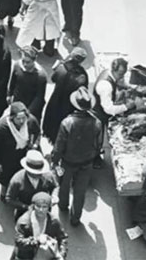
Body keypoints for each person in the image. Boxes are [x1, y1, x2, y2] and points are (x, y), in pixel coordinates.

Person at [51, 87, 102, 226]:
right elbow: (98, 145)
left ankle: (63, 205)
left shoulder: (67, 123)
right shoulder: (97, 122)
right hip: (86, 163)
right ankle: (76, 218)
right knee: (80, 192)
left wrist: (54, 162)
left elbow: (59, 146)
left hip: (67, 162)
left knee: (64, 185)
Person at [92, 58, 146, 168]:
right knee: (98, 137)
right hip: (99, 113)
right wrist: (126, 106)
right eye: (121, 73)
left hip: (102, 109)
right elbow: (109, 109)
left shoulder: (109, 72)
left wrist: (131, 88)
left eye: (124, 73)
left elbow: (121, 82)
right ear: (114, 70)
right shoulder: (105, 85)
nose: (122, 76)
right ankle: (95, 159)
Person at [0, 102, 40, 200]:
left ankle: (18, 194)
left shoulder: (31, 121)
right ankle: (4, 195)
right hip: (7, 156)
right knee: (6, 178)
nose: (22, 121)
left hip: (23, 154)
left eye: (23, 118)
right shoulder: (1, 127)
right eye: (18, 118)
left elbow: (37, 133)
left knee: (21, 176)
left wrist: (35, 144)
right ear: (12, 118)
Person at [42, 47, 89, 142]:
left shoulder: (61, 68)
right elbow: (84, 89)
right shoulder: (82, 74)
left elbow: (53, 79)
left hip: (55, 100)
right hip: (69, 103)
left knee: (52, 120)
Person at [12, 192, 68, 260]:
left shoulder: (54, 221)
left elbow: (63, 238)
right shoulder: (24, 222)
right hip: (26, 256)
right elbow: (19, 241)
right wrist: (37, 240)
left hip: (46, 256)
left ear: (49, 207)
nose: (41, 210)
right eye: (38, 206)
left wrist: (62, 255)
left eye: (44, 207)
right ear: (33, 206)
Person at [6, 149, 57, 220]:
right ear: (28, 170)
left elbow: (54, 186)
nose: (40, 174)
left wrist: (53, 197)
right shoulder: (17, 180)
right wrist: (25, 207)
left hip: (44, 214)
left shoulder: (48, 175)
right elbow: (9, 199)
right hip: (24, 215)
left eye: (41, 172)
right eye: (36, 173)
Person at [8, 46, 47, 121]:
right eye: (23, 61)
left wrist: (28, 112)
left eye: (28, 62)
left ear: (34, 61)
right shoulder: (17, 65)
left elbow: (39, 97)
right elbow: (13, 81)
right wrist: (9, 94)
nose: (25, 64)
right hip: (18, 101)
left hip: (32, 106)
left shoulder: (41, 75)